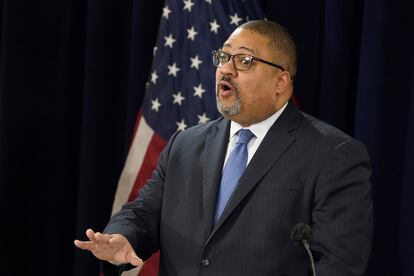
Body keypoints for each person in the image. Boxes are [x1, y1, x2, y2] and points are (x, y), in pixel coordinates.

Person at [74, 20, 373, 276]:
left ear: (281, 81)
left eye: (244, 61)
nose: (226, 70)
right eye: (223, 57)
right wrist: (121, 237)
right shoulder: (184, 145)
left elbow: (337, 265)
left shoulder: (332, 154)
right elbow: (143, 214)